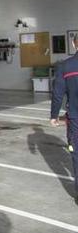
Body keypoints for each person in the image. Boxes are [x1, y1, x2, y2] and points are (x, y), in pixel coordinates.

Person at [51, 36, 78, 204]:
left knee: (77, 155)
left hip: (75, 119)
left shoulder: (66, 66)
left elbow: (58, 94)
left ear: (74, 44)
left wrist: (54, 115)